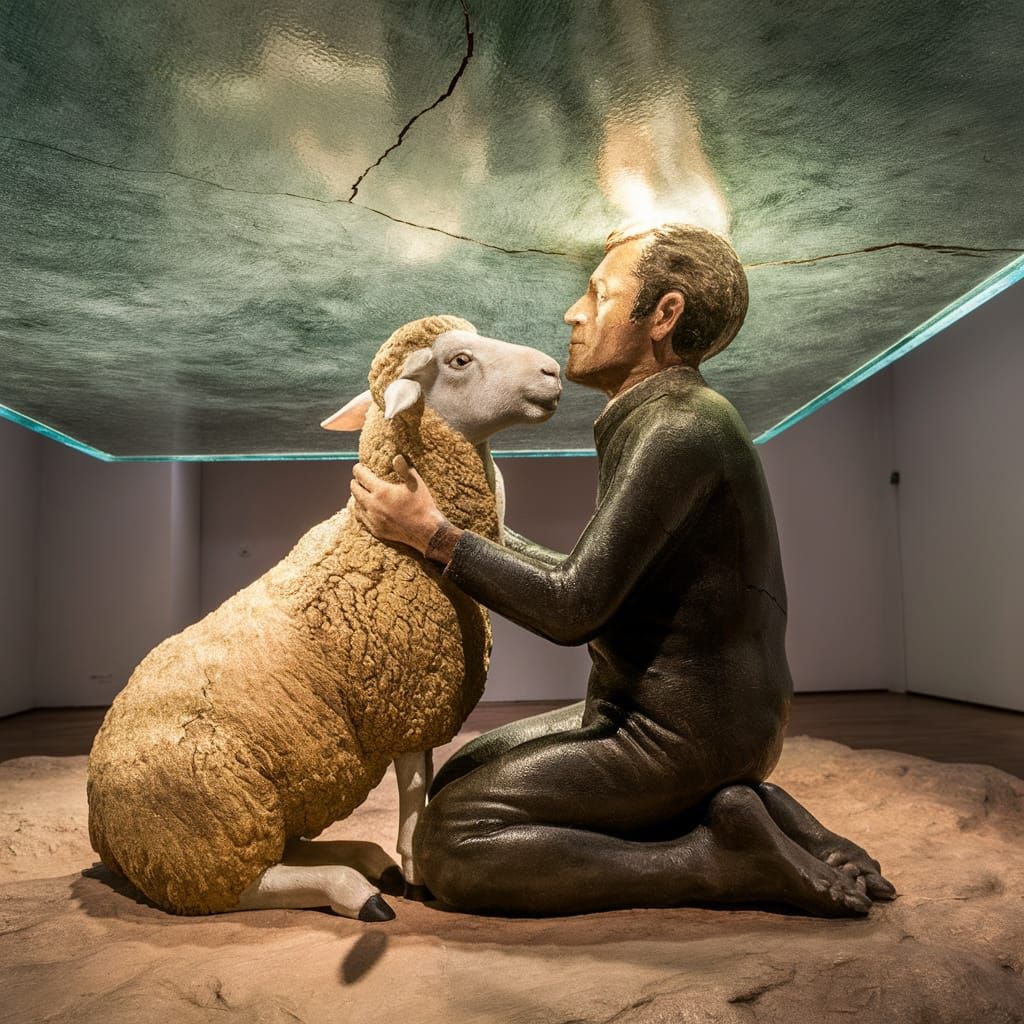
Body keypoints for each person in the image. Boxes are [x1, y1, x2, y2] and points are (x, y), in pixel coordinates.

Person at [351, 223, 895, 917]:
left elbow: (572, 607)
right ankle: (746, 808)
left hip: (678, 734)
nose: (573, 314)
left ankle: (712, 861)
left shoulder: (679, 427)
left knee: (453, 839)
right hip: (664, 715)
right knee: (464, 770)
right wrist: (454, 527)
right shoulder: (660, 417)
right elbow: (592, 578)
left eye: (598, 295)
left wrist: (437, 538)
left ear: (662, 316)